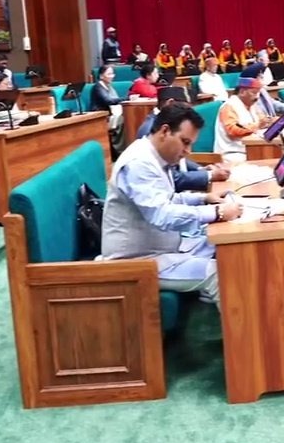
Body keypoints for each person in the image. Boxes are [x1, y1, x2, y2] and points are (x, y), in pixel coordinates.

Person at [102, 104, 243, 310]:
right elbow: (162, 214)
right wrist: (217, 212)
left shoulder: (155, 156)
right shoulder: (138, 164)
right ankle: (244, 331)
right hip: (138, 260)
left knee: (222, 244)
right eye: (185, 142)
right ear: (165, 131)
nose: (188, 151)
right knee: (219, 272)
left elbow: (168, 199)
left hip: (164, 247)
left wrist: (204, 199)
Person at [133, 90, 231, 192]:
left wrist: (200, 170)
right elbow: (173, 178)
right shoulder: (150, 130)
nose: (188, 151)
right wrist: (208, 175)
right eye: (186, 108)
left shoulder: (164, 127)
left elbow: (180, 159)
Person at [215, 76, 273, 162]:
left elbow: (262, 119)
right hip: (233, 153)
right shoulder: (229, 107)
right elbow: (233, 130)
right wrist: (258, 125)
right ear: (242, 92)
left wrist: (270, 121)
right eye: (254, 93)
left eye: (258, 93)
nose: (257, 97)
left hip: (250, 147)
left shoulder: (251, 105)